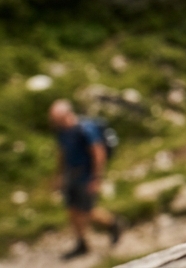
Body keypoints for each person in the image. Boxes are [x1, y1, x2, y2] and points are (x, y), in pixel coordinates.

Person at [49, 100, 124, 260]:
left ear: (67, 114)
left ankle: (112, 223)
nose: (55, 122)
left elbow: (98, 153)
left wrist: (96, 178)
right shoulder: (62, 132)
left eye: (57, 119)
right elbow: (62, 153)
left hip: (86, 175)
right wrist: (59, 175)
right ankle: (82, 243)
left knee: (87, 210)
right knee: (72, 210)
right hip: (71, 175)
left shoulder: (85, 129)